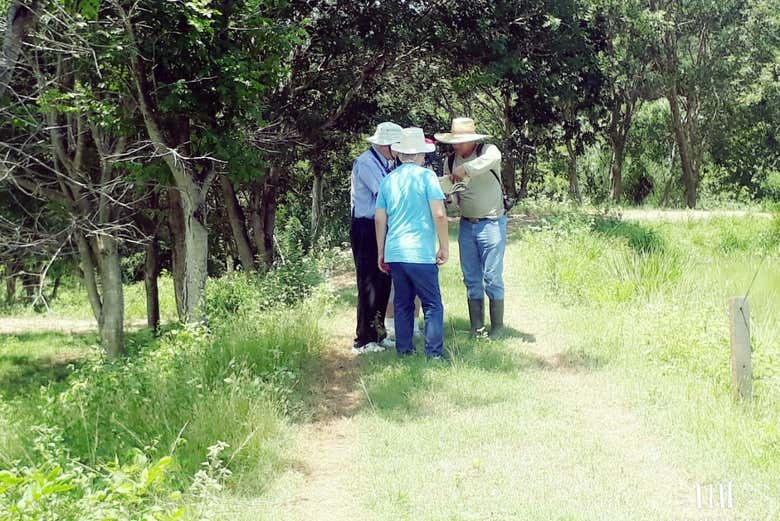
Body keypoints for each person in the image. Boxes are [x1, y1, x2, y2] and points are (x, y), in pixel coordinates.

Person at [375, 127, 449, 359]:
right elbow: (439, 213)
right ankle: (434, 353)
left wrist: (381, 251)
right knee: (432, 304)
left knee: (402, 303)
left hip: (396, 251)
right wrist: (444, 245)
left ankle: (404, 350)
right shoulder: (427, 177)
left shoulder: (388, 179)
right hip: (420, 252)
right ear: (419, 155)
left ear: (398, 153)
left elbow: (380, 217)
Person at [435, 117, 506, 339]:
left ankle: (497, 328)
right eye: (455, 142)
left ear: (472, 140)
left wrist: (466, 168)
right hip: (467, 224)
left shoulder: (488, 150)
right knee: (471, 278)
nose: (458, 146)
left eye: (462, 141)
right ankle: (477, 328)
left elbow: (489, 161)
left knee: (492, 275)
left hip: (492, 222)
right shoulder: (449, 160)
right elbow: (452, 191)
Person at [350, 122, 401, 354]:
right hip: (366, 226)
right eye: (396, 145)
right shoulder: (367, 163)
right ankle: (364, 339)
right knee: (369, 281)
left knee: (383, 279)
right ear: (385, 145)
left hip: (381, 225)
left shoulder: (387, 163)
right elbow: (384, 194)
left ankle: (379, 334)